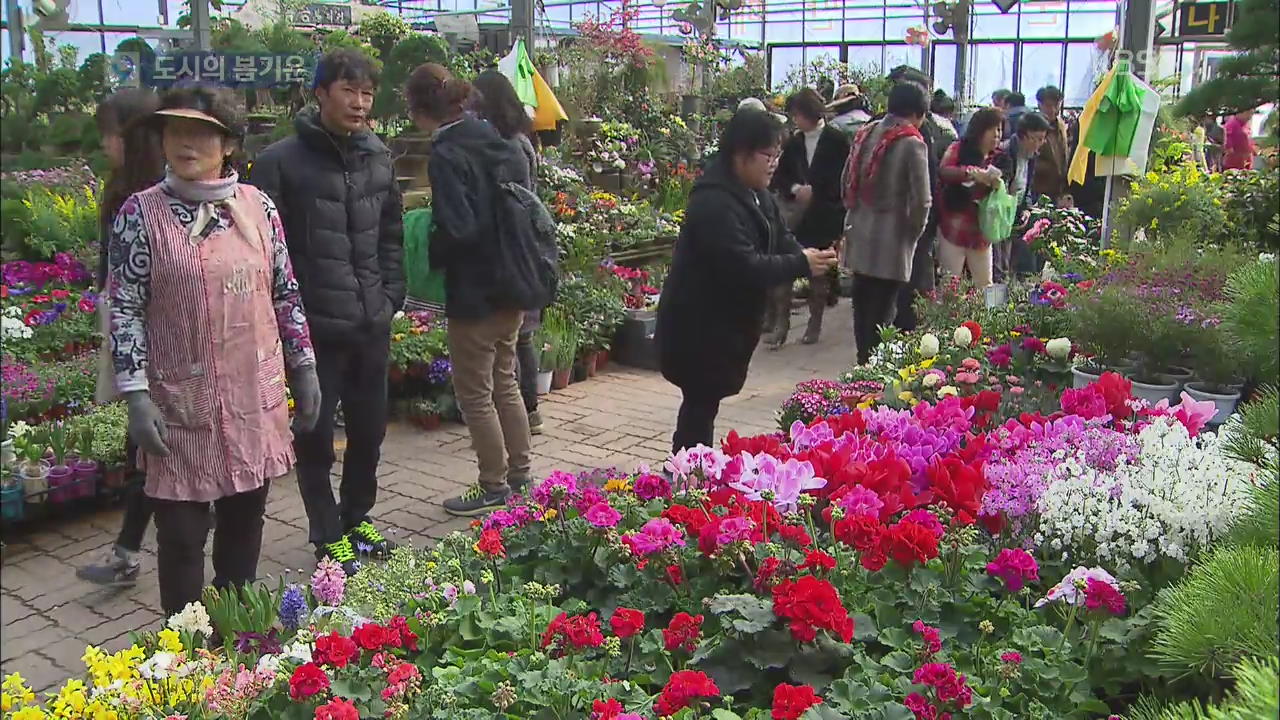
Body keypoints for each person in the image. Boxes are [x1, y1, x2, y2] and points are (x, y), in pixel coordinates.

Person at [108, 83, 321, 617]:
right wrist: (135, 393)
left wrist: (305, 365)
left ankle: (234, 641)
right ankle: (182, 652)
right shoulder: (141, 214)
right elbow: (126, 308)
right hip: (181, 405)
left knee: (244, 525)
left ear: (227, 144)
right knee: (180, 535)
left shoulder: (257, 207)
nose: (186, 142)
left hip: (253, 398)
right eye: (176, 130)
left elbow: (285, 292)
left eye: (201, 132)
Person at [249, 50, 403, 574]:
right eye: (348, 91)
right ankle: (326, 532)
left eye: (366, 93)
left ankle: (358, 517)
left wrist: (390, 297)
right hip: (313, 329)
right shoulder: (279, 162)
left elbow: (391, 235)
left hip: (370, 323)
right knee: (315, 435)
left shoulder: (378, 157)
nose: (359, 103)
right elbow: (264, 252)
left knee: (370, 430)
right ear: (320, 93)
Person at [657, 110, 836, 452]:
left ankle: (690, 478)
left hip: (723, 327)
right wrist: (800, 262)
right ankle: (685, 483)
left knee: (702, 408)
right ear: (740, 153)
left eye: (777, 155)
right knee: (698, 410)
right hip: (698, 328)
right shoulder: (714, 201)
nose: (774, 164)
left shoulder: (755, 193)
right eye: (767, 155)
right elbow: (742, 265)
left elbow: (779, 236)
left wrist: (810, 255)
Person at [405, 63, 535, 516]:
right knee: (506, 381)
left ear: (422, 111)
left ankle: (492, 484)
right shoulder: (501, 139)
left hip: (475, 292)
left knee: (476, 393)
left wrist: (427, 237)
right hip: (514, 283)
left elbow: (459, 229)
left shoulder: (446, 152)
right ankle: (521, 476)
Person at [76, 89, 165, 588]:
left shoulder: (150, 200)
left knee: (147, 449)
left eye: (108, 135)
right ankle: (130, 549)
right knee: (148, 448)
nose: (104, 145)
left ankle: (128, 554)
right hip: (135, 341)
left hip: (161, 345)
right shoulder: (122, 193)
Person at [471, 69, 545, 435]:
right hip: (523, 246)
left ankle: (524, 411)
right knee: (521, 336)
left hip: (515, 247)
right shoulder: (519, 139)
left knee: (518, 339)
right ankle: (527, 411)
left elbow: (510, 196)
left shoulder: (510, 146)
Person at [843, 82, 933, 365]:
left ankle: (861, 363)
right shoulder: (912, 142)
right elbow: (922, 200)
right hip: (891, 241)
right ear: (920, 112)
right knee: (883, 313)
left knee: (861, 307)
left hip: (859, 232)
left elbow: (845, 180)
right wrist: (913, 235)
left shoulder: (865, 133)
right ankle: (871, 373)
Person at [765, 88, 850, 346]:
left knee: (819, 273)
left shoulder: (837, 140)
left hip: (825, 215)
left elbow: (845, 178)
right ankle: (782, 323)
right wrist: (795, 189)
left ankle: (814, 323)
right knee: (785, 269)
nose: (795, 120)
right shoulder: (794, 142)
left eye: (798, 115)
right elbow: (780, 176)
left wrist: (820, 193)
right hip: (796, 217)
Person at [885, 66, 953, 332]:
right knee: (910, 282)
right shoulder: (921, 130)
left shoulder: (921, 130)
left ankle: (910, 331)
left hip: (912, 222)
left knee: (911, 282)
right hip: (912, 221)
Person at [938, 107, 1005, 287]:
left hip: (982, 232)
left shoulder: (1001, 158)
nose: (997, 135)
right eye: (993, 129)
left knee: (985, 285)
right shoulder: (959, 148)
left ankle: (982, 316)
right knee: (950, 285)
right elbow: (944, 171)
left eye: (1000, 129)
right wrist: (970, 173)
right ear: (980, 130)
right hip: (954, 228)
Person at [992, 112, 1049, 282]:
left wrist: (1026, 208)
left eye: (1043, 139)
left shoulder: (1031, 157)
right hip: (998, 217)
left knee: (1012, 266)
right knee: (998, 266)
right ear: (1024, 136)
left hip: (1015, 217)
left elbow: (1027, 187)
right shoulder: (1004, 153)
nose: (1041, 144)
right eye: (1037, 139)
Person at [1032, 86, 1069, 202]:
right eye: (1048, 106)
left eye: (1056, 105)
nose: (1053, 110)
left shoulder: (1060, 125)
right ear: (1039, 105)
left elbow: (1064, 154)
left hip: (1058, 187)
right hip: (1038, 187)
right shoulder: (1033, 126)